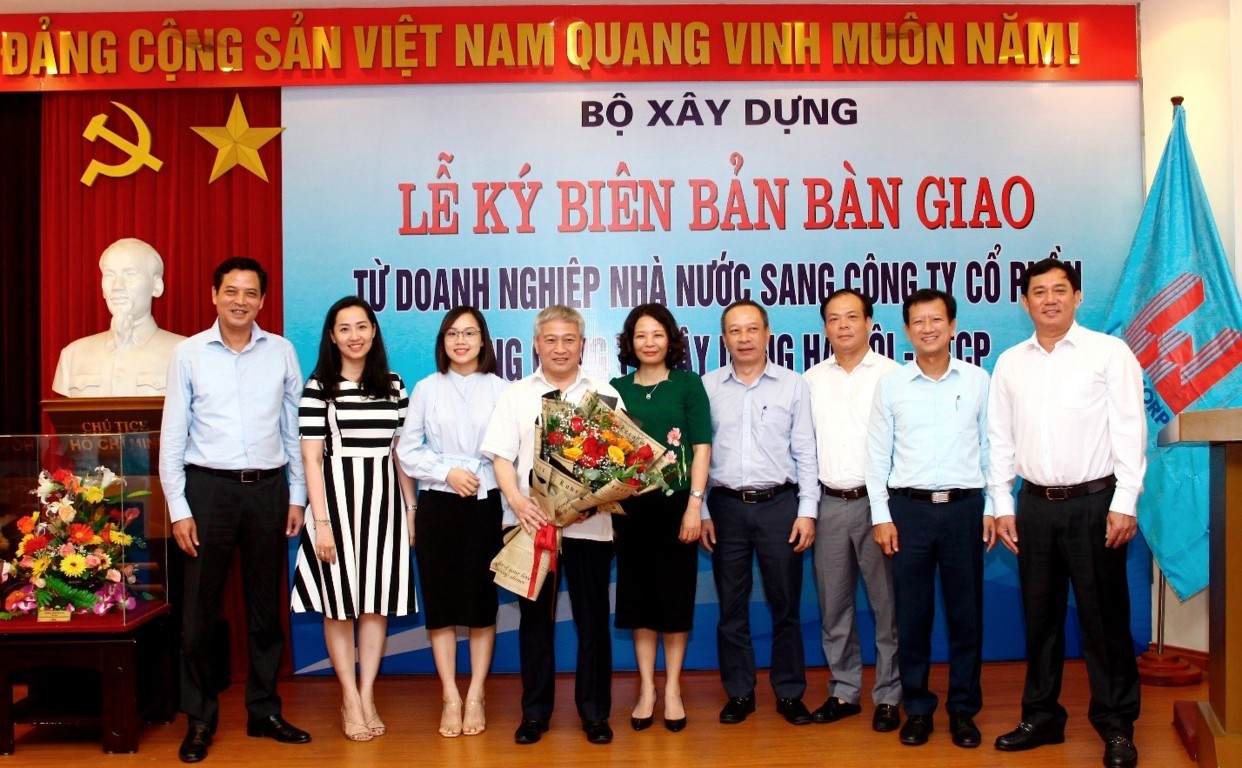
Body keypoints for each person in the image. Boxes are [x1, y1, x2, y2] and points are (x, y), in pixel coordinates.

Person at [988, 258, 1145, 768]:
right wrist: (1002, 503)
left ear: (1078, 297)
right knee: (1040, 619)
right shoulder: (1011, 362)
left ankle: (1116, 726)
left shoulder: (1109, 353)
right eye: (1039, 291)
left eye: (1060, 290)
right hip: (1034, 506)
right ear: (1024, 302)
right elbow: (999, 439)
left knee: (1105, 622)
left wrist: (1125, 501)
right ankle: (1041, 717)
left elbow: (1130, 428)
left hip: (1096, 505)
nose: (1049, 299)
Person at [160, 257, 311, 764]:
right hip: (208, 492)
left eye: (250, 293)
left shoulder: (281, 352)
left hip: (268, 492)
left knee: (266, 612)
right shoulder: (188, 354)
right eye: (231, 291)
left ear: (262, 301)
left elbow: (293, 428)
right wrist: (179, 508)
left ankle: (264, 710)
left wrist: (297, 495)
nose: (240, 301)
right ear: (214, 295)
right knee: (198, 616)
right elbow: (173, 435)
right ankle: (200, 719)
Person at [480, 304, 623, 746]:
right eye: (551, 340)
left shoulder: (603, 394)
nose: (560, 348)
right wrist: (518, 501)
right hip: (533, 527)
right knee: (535, 624)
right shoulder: (516, 394)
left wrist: (589, 503)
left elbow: (617, 463)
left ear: (583, 345)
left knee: (593, 622)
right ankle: (535, 714)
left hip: (589, 528)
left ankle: (595, 714)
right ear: (536, 345)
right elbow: (501, 458)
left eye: (569, 340)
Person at [865, 287, 996, 750]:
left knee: (966, 617)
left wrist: (993, 508)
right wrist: (881, 515)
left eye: (936, 320)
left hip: (964, 510)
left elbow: (991, 448)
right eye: (918, 321)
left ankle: (963, 710)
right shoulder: (892, 385)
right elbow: (876, 455)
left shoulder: (978, 380)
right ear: (906, 330)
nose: (927, 328)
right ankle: (917, 709)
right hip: (909, 512)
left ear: (953, 326)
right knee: (912, 617)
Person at [289, 296, 417, 742]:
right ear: (332, 336)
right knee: (339, 606)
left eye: (361, 326)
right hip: (335, 509)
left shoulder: (394, 385)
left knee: (375, 604)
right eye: (344, 328)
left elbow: (401, 453)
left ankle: (366, 694)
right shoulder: (318, 388)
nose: (354, 336)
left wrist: (411, 509)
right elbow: (310, 459)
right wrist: (321, 524)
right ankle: (348, 696)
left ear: (374, 331)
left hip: (385, 507)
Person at [699, 299, 820, 727]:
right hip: (725, 507)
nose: (744, 338)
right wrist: (702, 510)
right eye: (735, 330)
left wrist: (808, 510)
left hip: (780, 507)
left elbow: (805, 450)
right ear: (724, 338)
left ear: (768, 334)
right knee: (731, 607)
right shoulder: (708, 386)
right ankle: (739, 692)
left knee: (785, 604)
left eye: (752, 329)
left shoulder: (793, 385)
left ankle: (789, 692)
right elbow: (699, 454)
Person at [397, 306, 507, 738]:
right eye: (452, 334)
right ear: (442, 341)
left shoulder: (502, 389)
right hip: (439, 507)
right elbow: (407, 450)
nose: (461, 341)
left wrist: (510, 511)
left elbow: (512, 454)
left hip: (487, 505)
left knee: (481, 605)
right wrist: (446, 472)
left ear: (483, 340)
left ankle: (476, 693)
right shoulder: (427, 388)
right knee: (441, 605)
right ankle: (450, 695)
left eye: (469, 333)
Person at [803, 288, 902, 733]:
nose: (842, 325)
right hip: (828, 504)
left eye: (851, 317)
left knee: (887, 606)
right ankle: (844, 690)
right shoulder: (811, 380)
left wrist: (887, 511)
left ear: (869, 324)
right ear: (825, 328)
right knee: (834, 606)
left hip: (879, 506)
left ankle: (889, 695)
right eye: (833, 318)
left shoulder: (892, 376)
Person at [609, 303, 711, 733]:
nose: (649, 343)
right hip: (630, 510)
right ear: (630, 343)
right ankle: (647, 688)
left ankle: (672, 689)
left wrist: (695, 506)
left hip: (676, 506)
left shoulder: (688, 384)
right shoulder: (616, 389)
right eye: (640, 335)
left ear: (670, 339)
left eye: (657, 334)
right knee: (639, 601)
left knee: (674, 598)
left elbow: (701, 447)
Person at [53, 237, 184, 397]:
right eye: (109, 275)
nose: (117, 287)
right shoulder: (73, 356)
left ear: (156, 286)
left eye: (130, 274)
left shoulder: (185, 352)